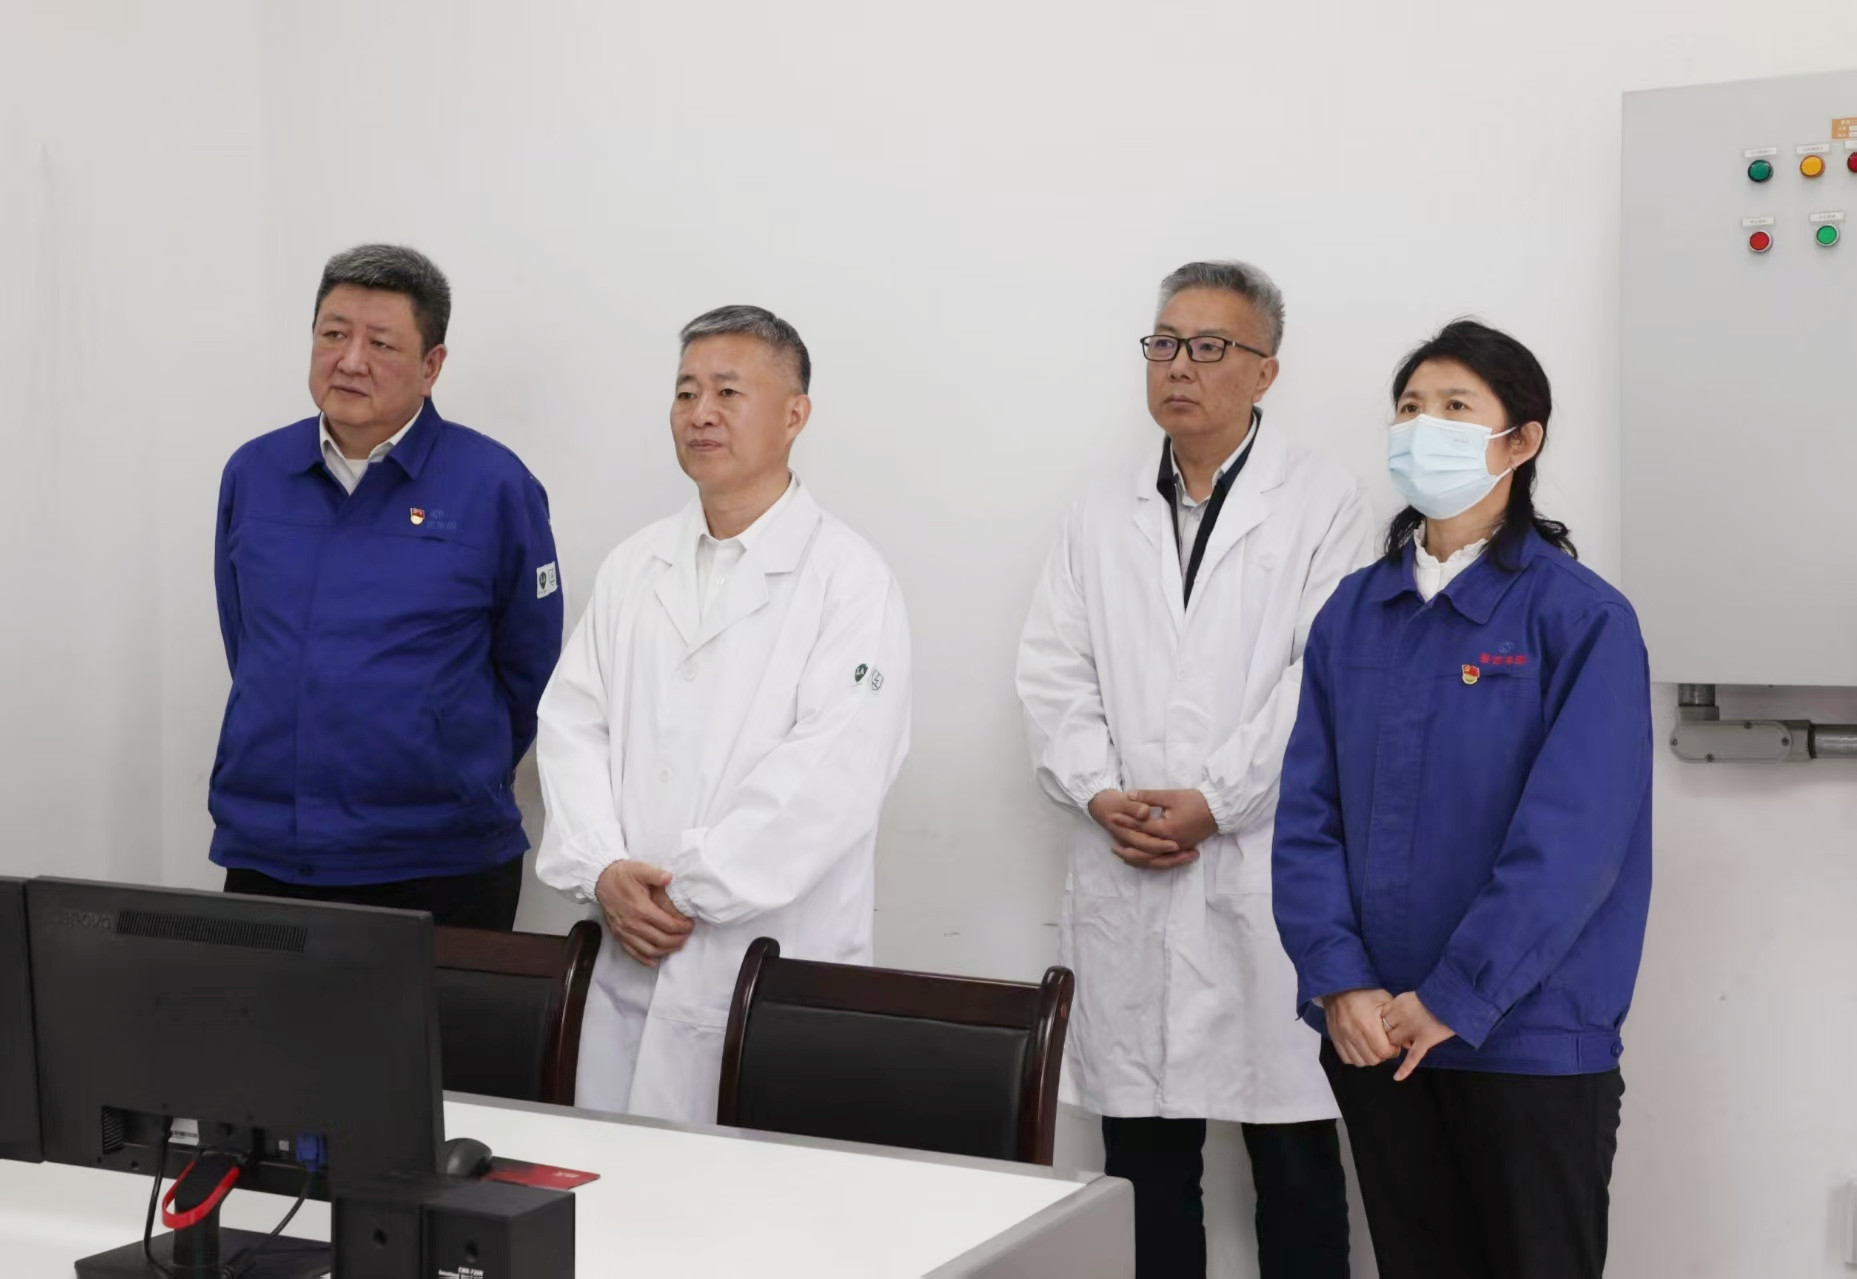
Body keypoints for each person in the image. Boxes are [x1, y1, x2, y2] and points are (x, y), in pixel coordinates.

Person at [1272, 320, 1653, 1279]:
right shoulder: (1353, 613)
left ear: (1520, 441)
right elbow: (1306, 820)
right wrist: (1339, 981)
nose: (1421, 428)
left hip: (1527, 1039)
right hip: (1376, 1037)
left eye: (1453, 407)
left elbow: (1572, 844)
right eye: (1408, 408)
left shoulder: (1580, 618)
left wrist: (1454, 995)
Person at [1017, 261, 1373, 1278]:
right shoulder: (1099, 510)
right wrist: (1101, 792)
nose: (1179, 366)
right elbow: (1052, 672)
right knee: (1144, 1165)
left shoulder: (1323, 501)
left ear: (1265, 371)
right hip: (1126, 868)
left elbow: (1322, 677)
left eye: (1210, 346)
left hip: (1265, 876)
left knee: (1295, 1161)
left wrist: (1216, 801)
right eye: (1164, 343)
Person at [534, 305, 911, 1123]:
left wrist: (689, 889)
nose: (699, 412)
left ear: (794, 414)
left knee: (762, 1189)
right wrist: (603, 866)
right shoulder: (635, 566)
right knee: (615, 1178)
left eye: (727, 392)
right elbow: (572, 725)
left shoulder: (849, 580)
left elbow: (833, 774)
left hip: (769, 961)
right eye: (685, 392)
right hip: (628, 953)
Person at [211, 244, 562, 928]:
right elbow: (247, 643)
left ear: (432, 366)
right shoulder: (254, 473)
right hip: (271, 851)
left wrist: (444, 755)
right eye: (333, 334)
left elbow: (530, 668)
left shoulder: (493, 484)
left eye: (380, 343)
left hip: (442, 861)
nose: (349, 360)